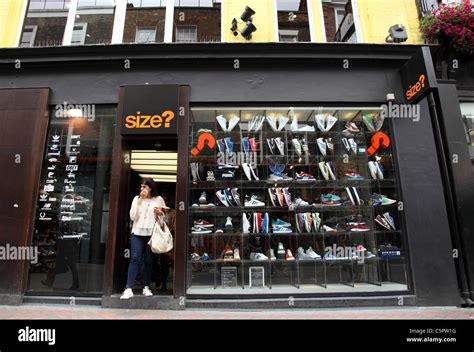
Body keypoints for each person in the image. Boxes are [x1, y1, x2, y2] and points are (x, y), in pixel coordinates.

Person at [120, 178, 168, 299]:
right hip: (137, 232)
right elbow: (132, 217)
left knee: (148, 260)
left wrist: (160, 213)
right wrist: (140, 201)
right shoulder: (136, 199)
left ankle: (145, 286)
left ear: (151, 188)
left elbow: (165, 220)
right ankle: (128, 288)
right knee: (135, 257)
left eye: (145, 187)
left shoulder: (159, 200)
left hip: (151, 234)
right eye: (141, 187)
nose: (142, 189)